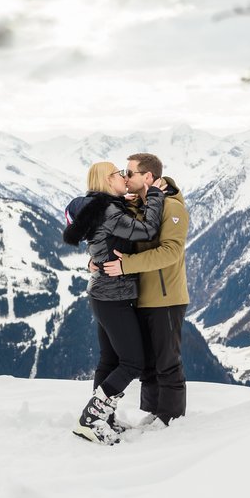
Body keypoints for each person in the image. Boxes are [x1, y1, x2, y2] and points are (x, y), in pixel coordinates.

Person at [62, 162, 166, 445]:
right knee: (133, 362)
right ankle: (91, 419)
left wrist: (123, 201)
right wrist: (154, 195)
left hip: (103, 295)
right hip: (114, 295)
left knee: (109, 360)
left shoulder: (101, 208)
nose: (125, 177)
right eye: (121, 174)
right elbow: (147, 231)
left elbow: (106, 239)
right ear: (108, 180)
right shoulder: (109, 211)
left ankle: (103, 419)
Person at [102, 153, 189, 428]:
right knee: (149, 366)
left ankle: (171, 421)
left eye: (130, 173)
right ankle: (150, 416)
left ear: (148, 177)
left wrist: (126, 266)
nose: (125, 178)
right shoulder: (141, 206)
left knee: (167, 364)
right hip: (141, 298)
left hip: (165, 299)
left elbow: (170, 253)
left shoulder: (171, 208)